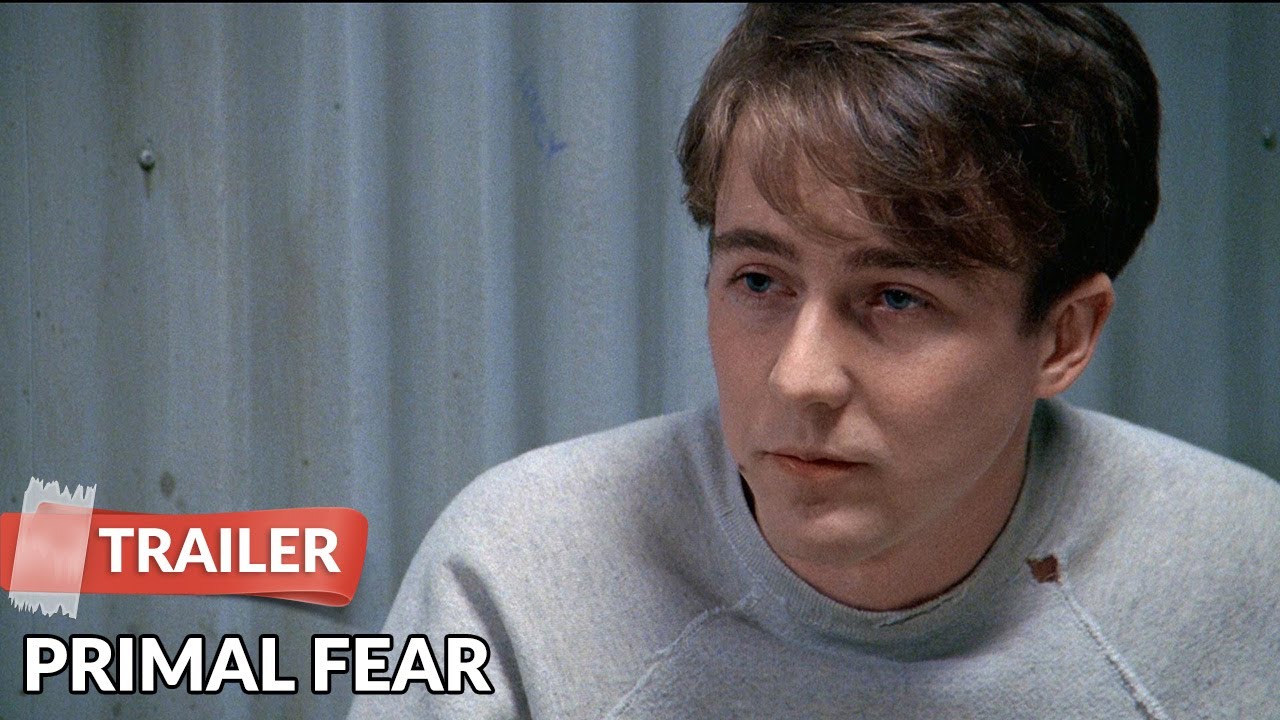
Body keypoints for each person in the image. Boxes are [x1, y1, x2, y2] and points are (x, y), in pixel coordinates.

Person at [352, 4, 1280, 718]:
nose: (799, 378)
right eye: (759, 281)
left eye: (897, 298)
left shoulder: (1246, 578)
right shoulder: (519, 578)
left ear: (1064, 337)